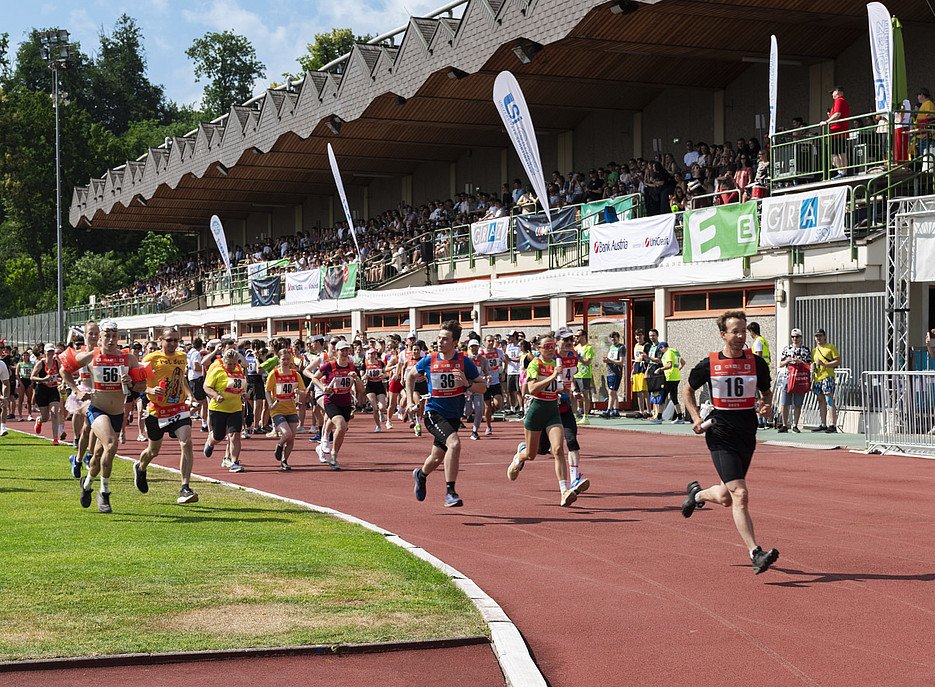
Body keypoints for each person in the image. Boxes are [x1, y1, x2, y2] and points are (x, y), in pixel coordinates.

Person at [680, 310, 779, 575]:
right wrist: (696, 417)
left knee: (726, 496)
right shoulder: (709, 364)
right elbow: (687, 390)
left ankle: (697, 494)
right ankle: (755, 553)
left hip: (747, 433)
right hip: (720, 433)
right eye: (735, 331)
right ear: (723, 335)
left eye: (743, 330)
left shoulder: (757, 363)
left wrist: (766, 407)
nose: (740, 336)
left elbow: (766, 394)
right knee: (741, 494)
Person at [60, 320, 144, 514]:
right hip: (97, 410)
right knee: (112, 444)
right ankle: (104, 493)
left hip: (118, 413)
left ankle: (87, 484)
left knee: (98, 455)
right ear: (100, 337)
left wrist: (131, 383)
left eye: (115, 336)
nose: (111, 339)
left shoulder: (129, 359)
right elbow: (64, 370)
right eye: (107, 335)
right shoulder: (91, 356)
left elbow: (141, 386)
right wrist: (75, 390)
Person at [408, 319, 485, 508]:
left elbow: (482, 387)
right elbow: (410, 375)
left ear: (454, 342)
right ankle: (450, 492)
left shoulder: (464, 362)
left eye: (444, 339)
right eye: (439, 338)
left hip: (453, 416)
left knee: (436, 457)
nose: (440, 342)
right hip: (433, 413)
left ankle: (421, 475)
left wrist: (467, 383)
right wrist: (411, 401)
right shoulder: (430, 359)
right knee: (455, 444)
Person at [506, 333, 578, 507]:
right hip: (536, 410)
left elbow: (560, 387)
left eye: (552, 346)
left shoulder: (556, 364)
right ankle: (519, 458)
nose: (551, 349)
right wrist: (553, 377)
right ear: (538, 349)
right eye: (546, 346)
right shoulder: (535, 364)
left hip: (553, 411)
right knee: (531, 455)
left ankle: (564, 491)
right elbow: (531, 389)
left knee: (559, 449)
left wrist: (570, 391)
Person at [135, 328, 199, 504]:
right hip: (156, 410)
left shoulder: (181, 357)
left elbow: (181, 379)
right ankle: (141, 467)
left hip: (178, 408)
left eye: (175, 340)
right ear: (160, 340)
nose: (172, 344)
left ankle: (185, 488)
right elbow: (137, 385)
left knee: (186, 442)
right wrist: (150, 389)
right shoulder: (150, 359)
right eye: (169, 340)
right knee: (153, 451)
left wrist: (190, 395)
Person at [313, 341, 363, 470]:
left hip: (345, 402)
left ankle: (332, 451)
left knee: (342, 430)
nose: (345, 353)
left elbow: (362, 389)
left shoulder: (352, 366)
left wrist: (356, 378)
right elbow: (315, 378)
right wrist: (323, 387)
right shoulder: (329, 366)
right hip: (331, 401)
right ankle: (332, 454)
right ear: (337, 351)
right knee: (341, 425)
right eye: (342, 350)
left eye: (347, 350)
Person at [203, 348, 246, 473]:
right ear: (224, 362)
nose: (232, 366)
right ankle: (211, 442)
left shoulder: (240, 371)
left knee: (235, 435)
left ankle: (234, 462)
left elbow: (241, 387)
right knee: (219, 436)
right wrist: (216, 396)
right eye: (230, 364)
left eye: (234, 364)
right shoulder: (217, 371)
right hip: (218, 408)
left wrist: (244, 394)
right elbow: (206, 386)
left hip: (235, 408)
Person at [265, 345, 306, 471]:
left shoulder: (295, 374)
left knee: (292, 437)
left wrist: (299, 392)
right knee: (286, 433)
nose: (286, 362)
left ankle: (284, 461)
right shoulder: (274, 374)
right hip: (278, 408)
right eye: (284, 359)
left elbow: (303, 391)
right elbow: (267, 390)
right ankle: (279, 445)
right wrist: (270, 404)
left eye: (288, 359)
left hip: (291, 408)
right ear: (279, 360)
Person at [776, 328, 810, 433]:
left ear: (801, 337)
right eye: (793, 337)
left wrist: (800, 361)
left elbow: (810, 365)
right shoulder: (787, 349)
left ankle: (795, 425)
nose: (795, 339)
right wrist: (788, 360)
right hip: (788, 378)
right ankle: (785, 424)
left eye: (797, 336)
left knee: (798, 403)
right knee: (785, 403)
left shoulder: (806, 350)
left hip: (799, 379)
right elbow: (780, 364)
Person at [31, 344, 64, 445]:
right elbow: (32, 377)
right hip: (42, 390)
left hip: (53, 390)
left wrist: (62, 384)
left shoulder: (57, 363)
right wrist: (43, 379)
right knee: (45, 417)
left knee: (55, 413)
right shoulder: (40, 364)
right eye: (48, 351)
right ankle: (39, 420)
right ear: (44, 352)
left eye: (52, 351)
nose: (50, 353)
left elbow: (63, 376)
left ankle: (55, 439)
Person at [811, 328, 841, 433]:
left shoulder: (830, 347)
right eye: (816, 336)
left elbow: (838, 361)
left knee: (829, 399)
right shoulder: (814, 350)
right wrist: (813, 367)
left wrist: (825, 364)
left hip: (827, 376)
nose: (818, 338)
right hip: (817, 378)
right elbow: (813, 363)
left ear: (824, 336)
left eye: (820, 335)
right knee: (820, 400)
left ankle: (832, 424)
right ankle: (823, 423)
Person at [821, 86, 850, 179]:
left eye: (832, 92)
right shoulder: (842, 101)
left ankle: (841, 171)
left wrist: (827, 121)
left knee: (835, 153)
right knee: (841, 152)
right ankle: (843, 171)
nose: (832, 95)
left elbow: (837, 114)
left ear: (837, 91)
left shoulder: (839, 101)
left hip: (837, 130)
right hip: (840, 130)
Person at [748, 322, 771, 429]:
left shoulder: (758, 342)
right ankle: (763, 419)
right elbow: (769, 357)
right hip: (766, 370)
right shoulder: (764, 341)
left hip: (759, 372)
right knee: (764, 395)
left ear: (752, 331)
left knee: (760, 396)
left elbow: (758, 356)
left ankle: (761, 420)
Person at [655, 341, 685, 423]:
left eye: (660, 349)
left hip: (669, 378)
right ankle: (680, 417)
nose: (661, 351)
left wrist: (660, 369)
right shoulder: (675, 351)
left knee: (662, 397)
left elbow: (669, 365)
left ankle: (658, 418)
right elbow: (683, 362)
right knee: (674, 398)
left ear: (662, 347)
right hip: (676, 378)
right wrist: (677, 370)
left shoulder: (668, 353)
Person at [465, 339, 489, 440]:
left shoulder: (483, 359)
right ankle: (466, 416)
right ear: (469, 348)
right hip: (467, 387)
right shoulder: (465, 359)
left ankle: (475, 431)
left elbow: (486, 372)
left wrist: (488, 378)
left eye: (476, 346)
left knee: (479, 409)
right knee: (467, 411)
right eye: (472, 346)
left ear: (479, 347)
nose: (474, 348)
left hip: (478, 386)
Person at [482, 334, 505, 436]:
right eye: (488, 341)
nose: (490, 343)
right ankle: (488, 426)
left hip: (495, 381)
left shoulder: (498, 352)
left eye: (492, 341)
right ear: (484, 342)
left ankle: (493, 408)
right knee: (487, 407)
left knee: (498, 403)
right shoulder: (481, 353)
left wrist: (503, 372)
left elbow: (505, 361)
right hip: (485, 382)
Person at [363, 346, 388, 432]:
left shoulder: (380, 363)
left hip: (379, 385)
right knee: (374, 408)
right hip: (370, 386)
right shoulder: (365, 364)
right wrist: (364, 377)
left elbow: (386, 373)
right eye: (371, 354)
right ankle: (378, 425)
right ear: (368, 355)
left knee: (382, 407)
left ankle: (381, 413)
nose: (373, 355)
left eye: (374, 354)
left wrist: (384, 375)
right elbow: (361, 375)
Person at [573, 329, 594, 424]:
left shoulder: (588, 347)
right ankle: (576, 414)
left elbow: (588, 362)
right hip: (575, 373)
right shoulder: (576, 347)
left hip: (584, 374)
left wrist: (579, 357)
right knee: (575, 394)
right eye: (576, 336)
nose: (576, 338)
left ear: (584, 336)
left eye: (578, 336)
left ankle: (585, 417)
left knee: (585, 395)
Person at [601, 331, 624, 418]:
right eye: (612, 339)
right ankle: (616, 410)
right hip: (609, 371)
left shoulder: (621, 347)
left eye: (614, 338)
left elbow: (621, 362)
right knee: (613, 392)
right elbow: (610, 359)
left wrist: (610, 361)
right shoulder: (611, 347)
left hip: (616, 372)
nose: (613, 340)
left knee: (611, 392)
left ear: (618, 338)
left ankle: (608, 410)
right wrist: (606, 361)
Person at [187, 337, 207, 432]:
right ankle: (184, 417)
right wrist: (205, 367)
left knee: (203, 403)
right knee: (198, 403)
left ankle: (204, 424)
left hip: (193, 378)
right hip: (196, 379)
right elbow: (195, 367)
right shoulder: (196, 353)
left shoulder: (190, 352)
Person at [631, 329, 651, 418]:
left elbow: (649, 360)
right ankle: (641, 411)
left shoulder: (647, 346)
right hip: (636, 369)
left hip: (643, 369)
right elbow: (635, 361)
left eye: (640, 335)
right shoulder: (635, 346)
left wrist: (645, 357)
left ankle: (649, 411)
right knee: (638, 392)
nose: (638, 337)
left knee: (645, 391)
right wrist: (632, 373)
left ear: (643, 336)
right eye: (636, 335)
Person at [504, 331, 522, 415]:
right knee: (510, 391)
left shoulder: (519, 346)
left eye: (510, 337)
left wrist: (510, 359)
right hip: (510, 371)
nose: (509, 339)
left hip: (518, 371)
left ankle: (521, 408)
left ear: (515, 337)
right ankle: (513, 408)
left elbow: (520, 358)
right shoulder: (508, 346)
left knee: (518, 391)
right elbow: (506, 358)